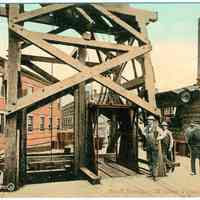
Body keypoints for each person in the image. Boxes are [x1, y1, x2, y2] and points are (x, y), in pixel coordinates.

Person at [142, 115, 165, 181]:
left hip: (155, 146)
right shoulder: (146, 128)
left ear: (153, 121)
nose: (149, 121)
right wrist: (146, 135)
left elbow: (163, 134)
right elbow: (143, 132)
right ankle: (151, 172)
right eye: (148, 120)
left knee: (155, 161)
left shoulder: (157, 128)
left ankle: (155, 175)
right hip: (148, 146)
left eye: (150, 120)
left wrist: (159, 138)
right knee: (149, 160)